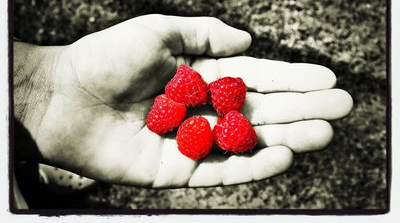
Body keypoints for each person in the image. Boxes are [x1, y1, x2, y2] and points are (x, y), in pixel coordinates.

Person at [13, 14, 353, 208]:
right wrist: (40, 86)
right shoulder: (190, 105)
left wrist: (38, 87)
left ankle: (29, 168)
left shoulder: (207, 106)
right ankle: (30, 170)